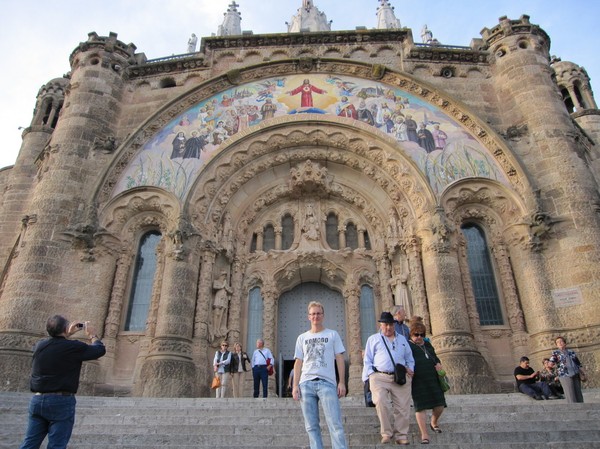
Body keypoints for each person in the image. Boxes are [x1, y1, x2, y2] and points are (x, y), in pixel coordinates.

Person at [18, 315, 106, 449]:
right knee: (57, 445)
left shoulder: (39, 346)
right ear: (65, 328)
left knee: (29, 444)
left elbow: (56, 345)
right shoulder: (73, 347)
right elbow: (99, 350)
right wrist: (93, 335)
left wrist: (66, 334)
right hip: (60, 402)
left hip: (37, 400)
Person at [292, 301, 348, 449]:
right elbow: (298, 362)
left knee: (335, 424)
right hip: (306, 384)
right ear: (308, 317)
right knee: (311, 426)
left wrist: (341, 382)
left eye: (318, 313)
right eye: (312, 314)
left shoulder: (332, 334)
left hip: (327, 383)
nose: (315, 316)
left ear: (323, 315)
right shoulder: (302, 338)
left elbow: (339, 358)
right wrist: (295, 385)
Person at [362, 312, 414, 445]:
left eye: (391, 324)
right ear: (380, 325)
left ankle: (401, 435)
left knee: (403, 407)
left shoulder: (402, 339)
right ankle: (386, 433)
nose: (388, 327)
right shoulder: (373, 339)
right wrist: (369, 376)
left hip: (400, 377)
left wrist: (410, 369)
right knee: (380, 401)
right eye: (385, 324)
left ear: (394, 325)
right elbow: (367, 359)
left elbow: (409, 357)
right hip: (379, 376)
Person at [408, 321, 447, 445]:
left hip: (433, 378)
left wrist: (439, 364)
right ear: (411, 335)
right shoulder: (408, 346)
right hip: (418, 380)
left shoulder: (428, 345)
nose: (419, 337)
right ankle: (424, 434)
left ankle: (434, 422)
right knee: (421, 407)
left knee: (440, 404)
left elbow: (435, 357)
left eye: (421, 334)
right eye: (416, 334)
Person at [550, 336, 586, 403]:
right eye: (557, 342)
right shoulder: (555, 353)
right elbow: (551, 363)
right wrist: (551, 363)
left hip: (575, 373)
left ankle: (581, 407)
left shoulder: (571, 352)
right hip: (564, 375)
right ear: (556, 345)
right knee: (570, 393)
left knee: (578, 393)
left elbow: (578, 364)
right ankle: (574, 409)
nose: (560, 343)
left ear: (565, 343)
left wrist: (583, 373)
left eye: (561, 341)